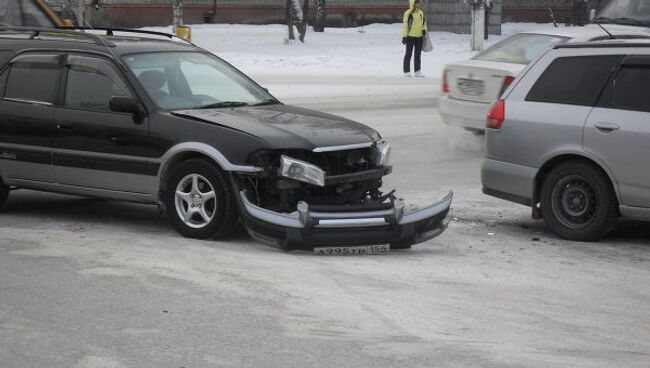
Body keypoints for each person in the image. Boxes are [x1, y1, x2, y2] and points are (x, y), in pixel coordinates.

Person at [402, 0, 427, 77]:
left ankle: (417, 71)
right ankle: (406, 71)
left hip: (419, 36)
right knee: (408, 54)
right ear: (413, 3)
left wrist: (424, 29)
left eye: (420, 3)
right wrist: (404, 36)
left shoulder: (421, 13)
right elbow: (405, 25)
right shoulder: (408, 13)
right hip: (410, 36)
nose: (419, 4)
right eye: (417, 3)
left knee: (418, 55)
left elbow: (424, 22)